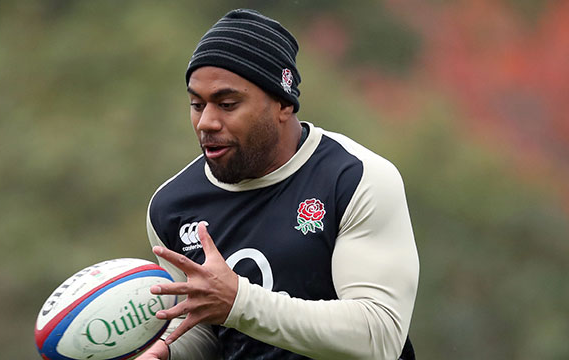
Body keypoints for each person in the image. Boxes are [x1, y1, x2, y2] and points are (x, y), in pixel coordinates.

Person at [137, 8, 419, 360]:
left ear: (283, 103)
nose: (206, 122)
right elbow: (207, 331)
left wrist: (240, 301)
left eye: (227, 104)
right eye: (197, 104)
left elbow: (379, 337)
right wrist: (166, 354)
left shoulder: (355, 179)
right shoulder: (171, 206)